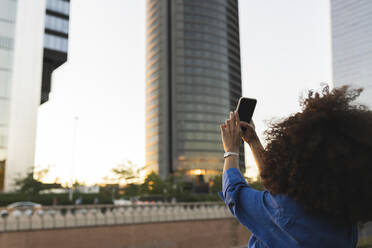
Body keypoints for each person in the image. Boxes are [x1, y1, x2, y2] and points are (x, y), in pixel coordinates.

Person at [219, 85, 372, 247]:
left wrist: (231, 150)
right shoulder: (344, 224)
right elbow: (278, 185)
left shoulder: (286, 212)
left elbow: (234, 194)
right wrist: (253, 141)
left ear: (300, 158)